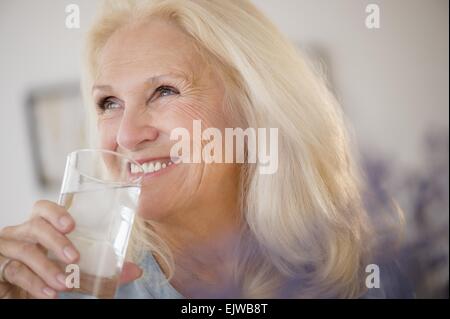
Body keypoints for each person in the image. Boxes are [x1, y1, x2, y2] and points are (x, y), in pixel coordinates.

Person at [0, 0, 404, 298]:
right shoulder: (72, 282)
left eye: (164, 91)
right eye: (109, 103)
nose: (125, 136)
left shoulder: (368, 274)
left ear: (253, 109)